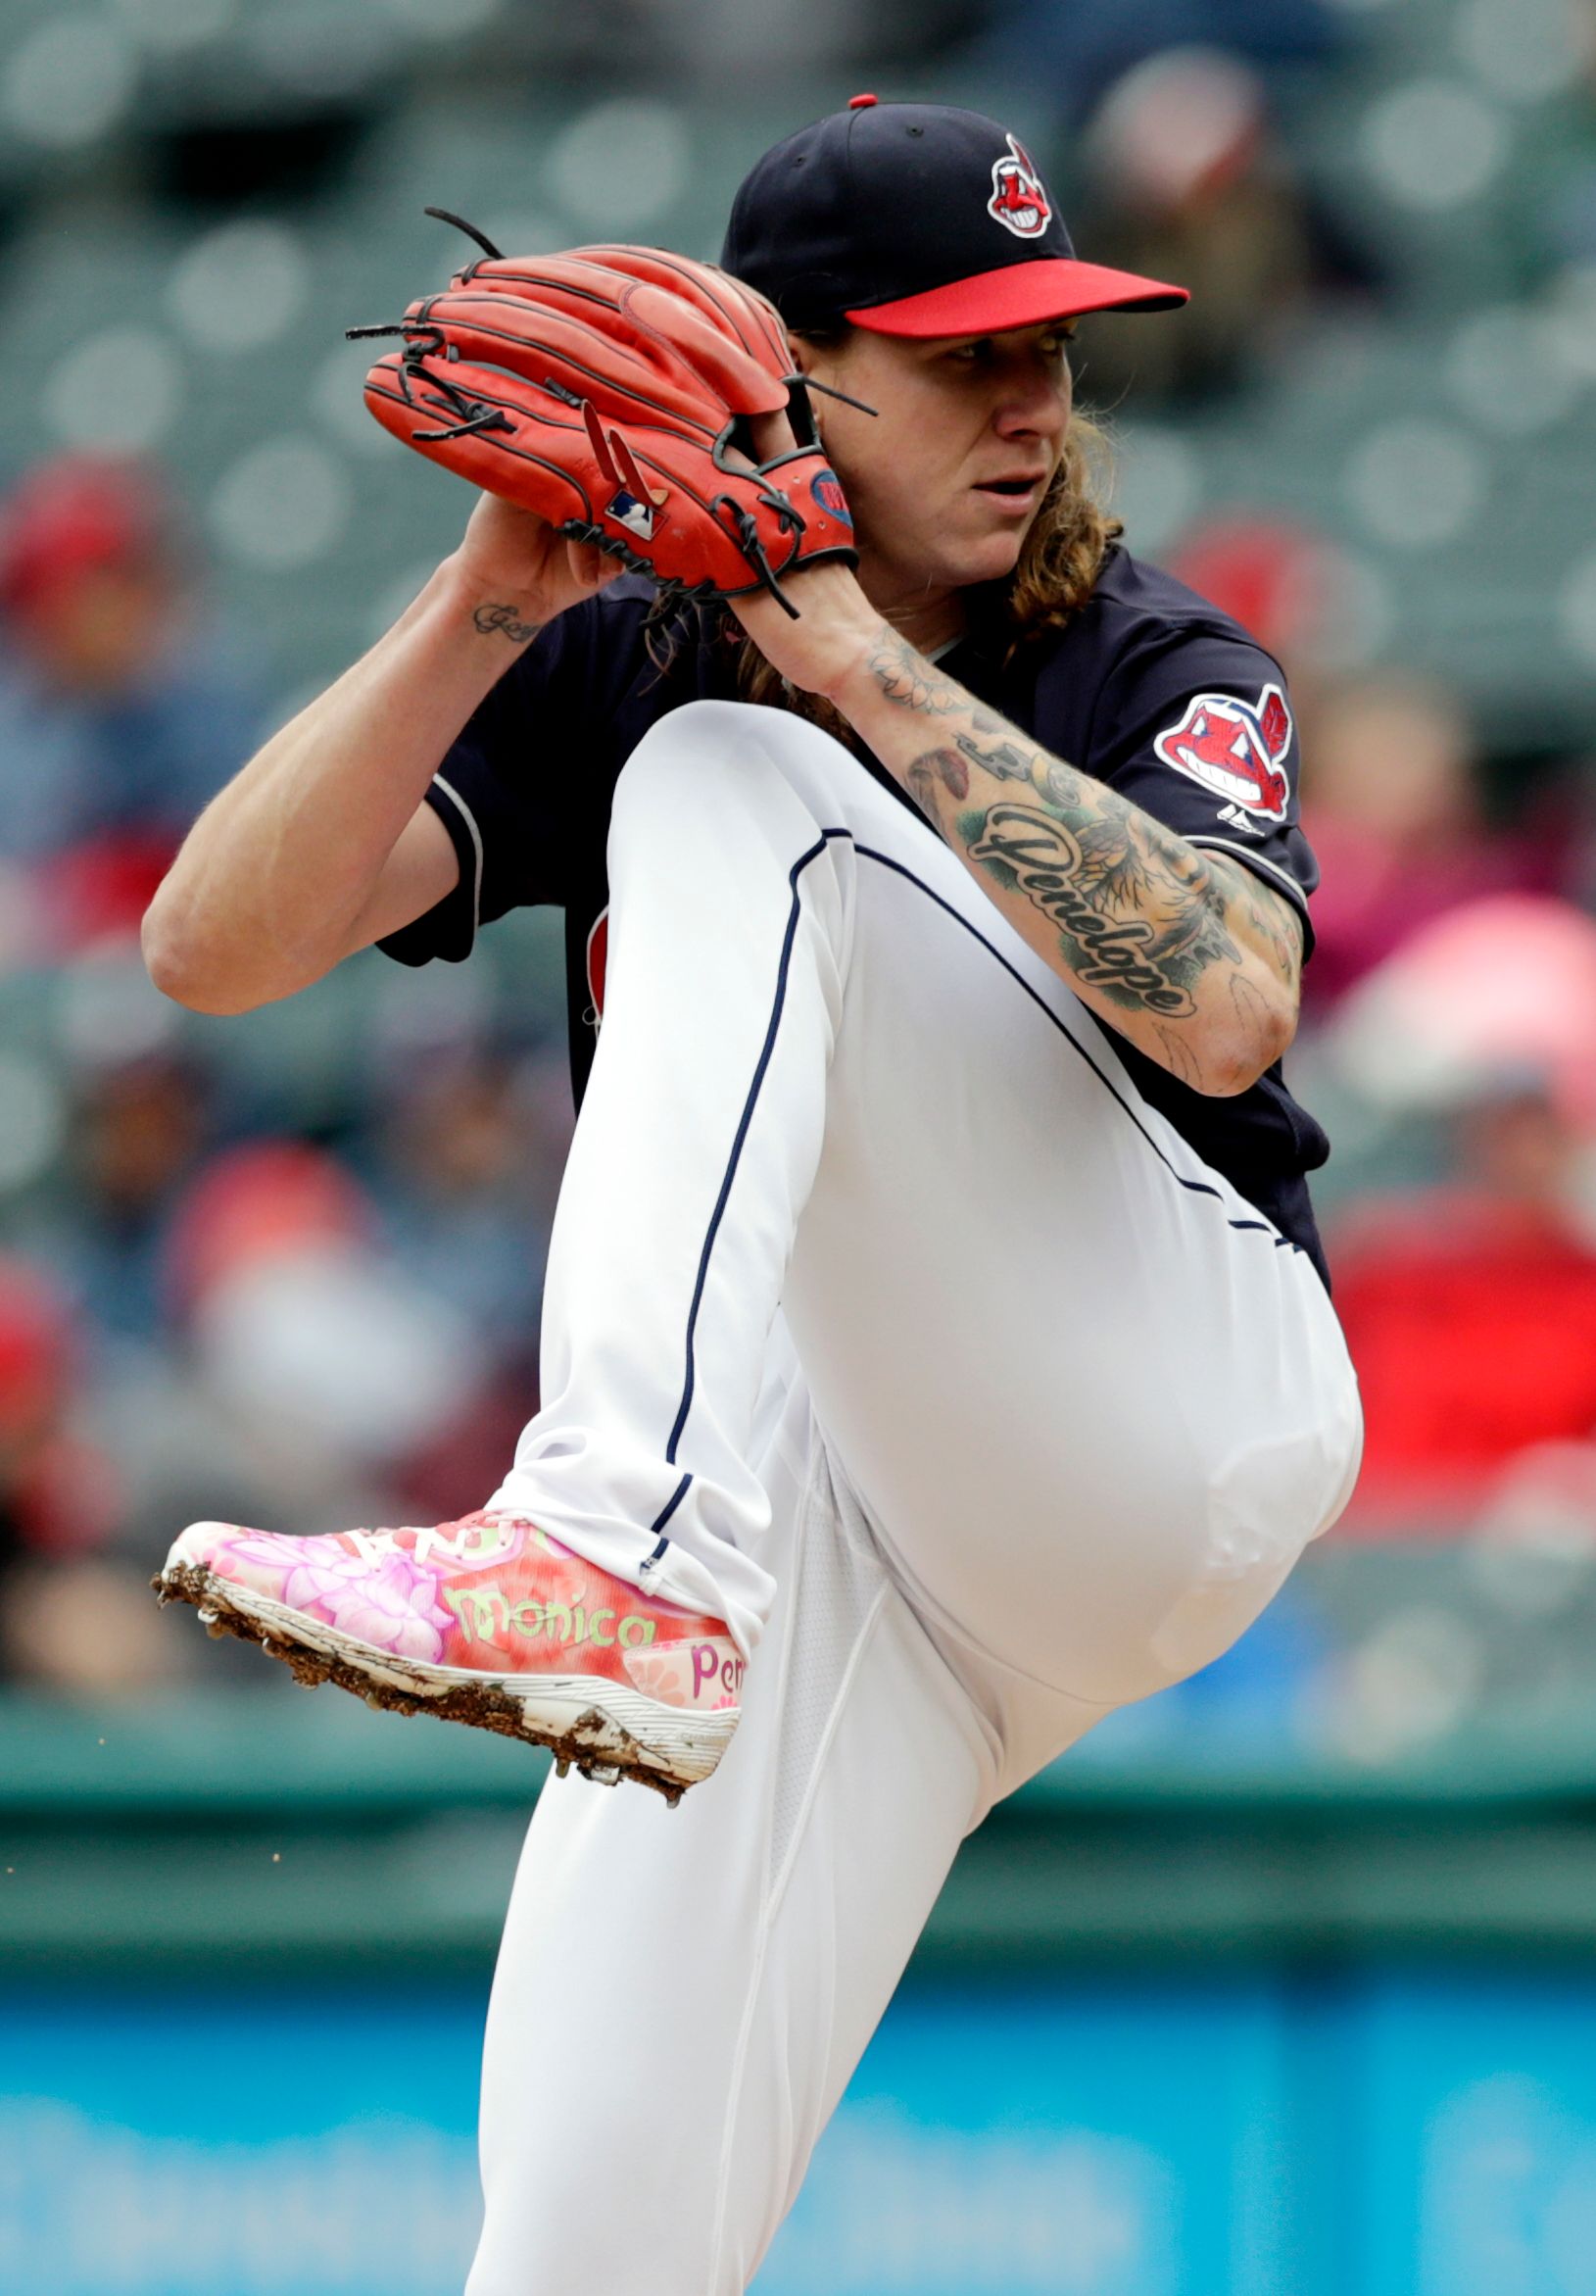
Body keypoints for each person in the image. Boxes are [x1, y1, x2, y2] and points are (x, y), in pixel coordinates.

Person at [143, 99, 1361, 2296]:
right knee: (575, 2248)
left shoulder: (1141, 651)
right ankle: (634, 1552)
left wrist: (839, 659)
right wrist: (479, 596)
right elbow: (209, 951)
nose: (1028, 403)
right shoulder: (617, 659)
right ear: (784, 373)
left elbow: (1228, 1012)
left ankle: (609, 1532)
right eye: (960, 352)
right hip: (838, 1539)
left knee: (734, 777)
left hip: (1160, 1400)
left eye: (1049, 351)